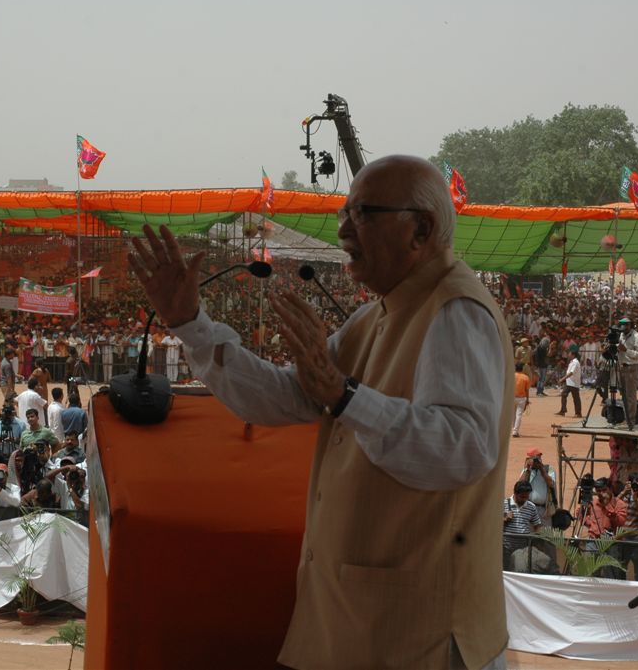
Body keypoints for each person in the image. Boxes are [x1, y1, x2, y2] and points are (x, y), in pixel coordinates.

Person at [129, 155, 513, 669]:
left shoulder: (455, 312)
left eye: (361, 213)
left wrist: (345, 396)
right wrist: (190, 324)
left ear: (419, 230)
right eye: (344, 212)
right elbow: (286, 395)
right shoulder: (376, 315)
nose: (341, 228)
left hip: (419, 635)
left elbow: (461, 448)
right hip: (358, 623)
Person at [502, 480, 541, 570]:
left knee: (520, 570)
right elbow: (493, 523)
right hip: (505, 547)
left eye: (527, 497)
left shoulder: (531, 507)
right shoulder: (503, 504)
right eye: (522, 497)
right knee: (505, 570)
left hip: (523, 549)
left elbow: (537, 525)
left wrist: (537, 537)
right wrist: (504, 519)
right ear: (515, 493)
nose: (524, 499)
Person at [616, 318, 638, 426]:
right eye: (621, 324)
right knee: (623, 394)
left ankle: (630, 420)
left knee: (630, 396)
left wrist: (626, 350)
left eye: (626, 325)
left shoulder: (637, 337)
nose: (623, 327)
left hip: (631, 367)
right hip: (621, 367)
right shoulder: (622, 335)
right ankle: (626, 417)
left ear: (630, 325)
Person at [518, 447, 556, 527]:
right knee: (529, 535)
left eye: (539, 457)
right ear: (529, 459)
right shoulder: (526, 470)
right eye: (535, 458)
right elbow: (520, 486)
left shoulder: (549, 469)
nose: (538, 459)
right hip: (528, 509)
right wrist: (527, 468)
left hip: (544, 510)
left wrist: (541, 469)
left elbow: (551, 484)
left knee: (545, 536)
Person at [555, 346, 582, 417]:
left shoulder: (575, 362)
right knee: (564, 395)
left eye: (569, 353)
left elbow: (571, 373)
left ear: (573, 354)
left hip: (573, 383)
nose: (568, 354)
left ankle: (578, 413)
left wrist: (562, 379)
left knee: (576, 398)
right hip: (570, 382)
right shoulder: (572, 362)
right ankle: (563, 410)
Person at [511, 362, 530, 437]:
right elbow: (527, 390)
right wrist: (527, 400)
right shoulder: (525, 377)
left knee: (513, 415)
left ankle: (513, 430)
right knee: (518, 415)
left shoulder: (512, 376)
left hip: (512, 397)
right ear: (522, 369)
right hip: (521, 398)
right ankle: (515, 431)